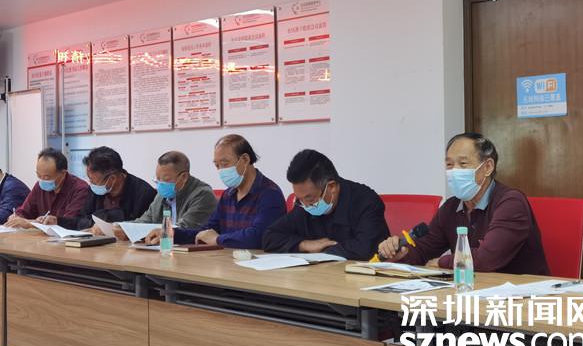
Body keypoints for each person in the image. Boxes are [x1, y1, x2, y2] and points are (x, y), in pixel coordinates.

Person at [378, 132, 550, 275]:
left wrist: (442, 262)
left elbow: (487, 259)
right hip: (472, 291)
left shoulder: (511, 203)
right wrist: (400, 254)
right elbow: (423, 250)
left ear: (487, 167)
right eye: (449, 165)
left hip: (522, 296)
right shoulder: (451, 207)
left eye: (463, 164)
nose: (454, 171)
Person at [146, 134, 286, 248]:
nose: (221, 170)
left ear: (244, 159)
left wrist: (218, 239)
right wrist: (171, 233)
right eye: (217, 165)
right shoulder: (228, 195)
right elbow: (208, 230)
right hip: (226, 261)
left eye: (224, 163)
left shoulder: (270, 194)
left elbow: (259, 236)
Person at [262, 149, 390, 260]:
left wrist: (324, 251)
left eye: (310, 198)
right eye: (300, 199)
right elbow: (270, 237)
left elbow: (366, 248)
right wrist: (304, 245)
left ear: (332, 187)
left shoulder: (365, 201)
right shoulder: (304, 206)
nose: (305, 206)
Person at [115, 151, 217, 240]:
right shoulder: (162, 194)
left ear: (184, 177)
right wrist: (124, 228)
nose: (160, 184)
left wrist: (163, 232)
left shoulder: (203, 195)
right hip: (164, 249)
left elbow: (186, 228)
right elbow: (146, 220)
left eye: (166, 179)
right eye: (158, 178)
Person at [57, 146, 156, 232]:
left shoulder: (144, 194)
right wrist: (57, 221)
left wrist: (108, 224)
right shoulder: (95, 190)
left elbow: (142, 228)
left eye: (93, 180)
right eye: (89, 179)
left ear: (112, 179)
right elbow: (81, 219)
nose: (91, 183)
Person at [6, 148, 88, 228]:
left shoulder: (80, 189)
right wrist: (16, 217)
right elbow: (24, 211)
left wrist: (31, 224)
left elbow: (70, 223)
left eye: (46, 177)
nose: (42, 180)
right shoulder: (39, 186)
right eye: (39, 175)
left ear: (63, 173)